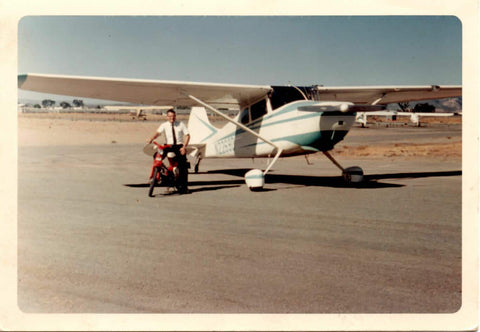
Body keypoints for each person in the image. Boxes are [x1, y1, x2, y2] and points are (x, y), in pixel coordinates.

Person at [147, 109, 190, 194]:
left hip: (178, 146)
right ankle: (156, 176)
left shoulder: (181, 124)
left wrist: (184, 147)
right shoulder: (164, 125)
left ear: (175, 116)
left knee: (183, 166)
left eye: (173, 116)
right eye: (170, 116)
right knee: (157, 156)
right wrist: (151, 138)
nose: (172, 118)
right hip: (168, 146)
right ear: (167, 117)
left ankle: (184, 187)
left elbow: (187, 136)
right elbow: (158, 133)